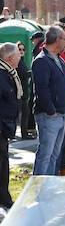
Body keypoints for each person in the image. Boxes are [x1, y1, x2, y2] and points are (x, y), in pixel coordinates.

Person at [31, 25, 65, 176]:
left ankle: (48, 188)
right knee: (45, 155)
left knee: (54, 156)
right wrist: (51, 110)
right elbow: (42, 89)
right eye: (64, 38)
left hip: (62, 114)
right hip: (49, 116)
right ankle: (38, 190)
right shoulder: (41, 61)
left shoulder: (59, 59)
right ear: (56, 40)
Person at [0, 42, 21, 208]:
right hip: (1, 126)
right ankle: (4, 200)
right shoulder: (2, 75)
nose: (20, 56)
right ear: (9, 58)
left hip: (5, 127)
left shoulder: (9, 73)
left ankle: (4, 199)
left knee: (4, 165)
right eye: (17, 54)